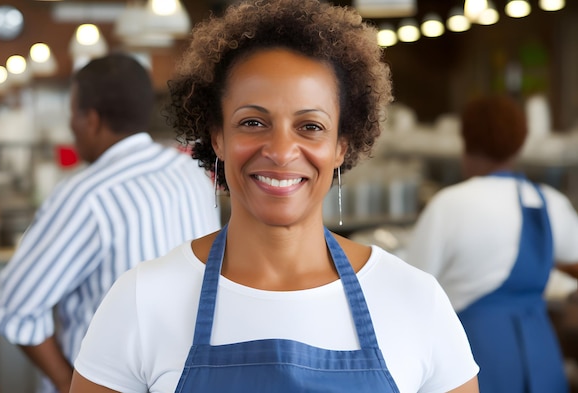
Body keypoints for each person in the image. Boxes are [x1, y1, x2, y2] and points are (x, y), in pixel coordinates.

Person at [70, 1, 479, 392]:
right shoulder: (143, 298)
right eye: (252, 122)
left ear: (341, 145)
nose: (281, 151)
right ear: (218, 138)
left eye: (311, 127)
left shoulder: (415, 301)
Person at [0, 53, 221, 393]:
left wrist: (69, 385)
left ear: (91, 120)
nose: (71, 126)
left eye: (72, 115)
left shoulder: (87, 195)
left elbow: (15, 310)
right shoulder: (190, 172)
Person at [405, 94, 578, 392]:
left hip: (475, 355)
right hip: (541, 354)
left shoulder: (449, 204)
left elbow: (411, 288)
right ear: (520, 143)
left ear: (466, 141)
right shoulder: (549, 202)